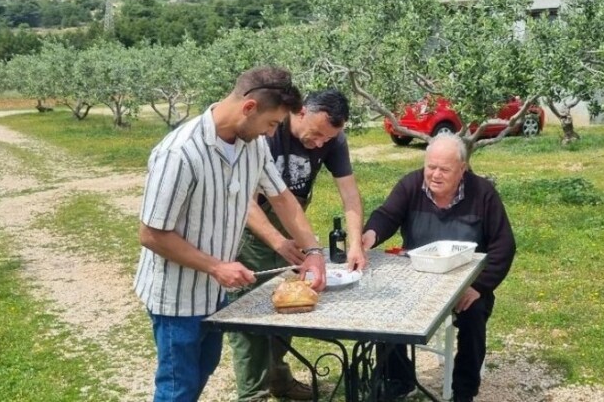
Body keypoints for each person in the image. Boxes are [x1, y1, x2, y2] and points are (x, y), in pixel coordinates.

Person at [133, 66, 328, 402]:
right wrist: (215, 266)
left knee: (202, 370)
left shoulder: (252, 145)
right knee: (177, 387)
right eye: (270, 124)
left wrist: (313, 251)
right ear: (249, 107)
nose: (270, 134)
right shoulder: (180, 153)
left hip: (212, 294)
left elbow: (282, 198)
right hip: (175, 298)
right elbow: (151, 234)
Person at [228, 88, 367, 401]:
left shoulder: (332, 138)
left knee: (289, 307)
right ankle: (253, 395)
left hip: (290, 231)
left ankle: (278, 377)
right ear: (300, 111)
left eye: (326, 140)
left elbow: (350, 196)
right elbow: (244, 204)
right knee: (250, 317)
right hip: (249, 233)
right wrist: (277, 241)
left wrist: (356, 243)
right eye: (316, 134)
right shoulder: (265, 134)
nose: (319, 144)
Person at [360, 133, 517, 402]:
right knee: (386, 305)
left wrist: (479, 286)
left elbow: (504, 245)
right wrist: (370, 235)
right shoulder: (411, 185)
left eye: (444, 169)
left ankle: (464, 390)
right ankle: (398, 379)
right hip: (417, 276)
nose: (434, 175)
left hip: (465, 283)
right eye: (430, 167)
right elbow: (387, 215)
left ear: (462, 170)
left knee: (474, 314)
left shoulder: (483, 194)